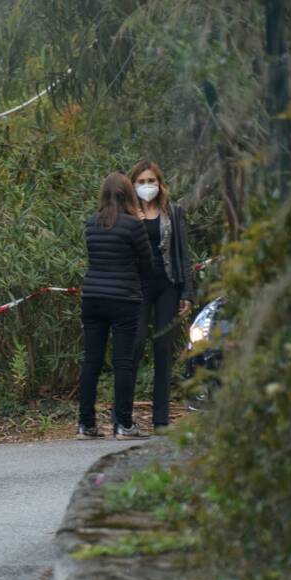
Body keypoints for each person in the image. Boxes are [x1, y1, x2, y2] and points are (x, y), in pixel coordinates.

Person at [77, 172, 153, 440]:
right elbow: (147, 264)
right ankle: (123, 424)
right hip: (124, 299)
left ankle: (86, 424)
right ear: (128, 194)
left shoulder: (90, 224)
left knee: (91, 361)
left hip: (93, 298)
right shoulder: (134, 226)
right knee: (123, 362)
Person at [128, 160, 194, 431]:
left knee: (163, 347)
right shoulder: (128, 214)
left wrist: (187, 293)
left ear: (160, 183)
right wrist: (135, 225)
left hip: (168, 285)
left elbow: (183, 254)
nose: (147, 187)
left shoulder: (173, 212)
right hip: (137, 287)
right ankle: (123, 416)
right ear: (133, 185)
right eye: (141, 182)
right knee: (135, 343)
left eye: (151, 181)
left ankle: (161, 419)